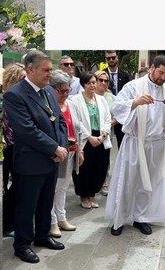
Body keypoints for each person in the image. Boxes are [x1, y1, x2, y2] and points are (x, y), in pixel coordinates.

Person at [4, 50, 68, 263]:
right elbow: (26, 130)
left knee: (45, 202)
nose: (51, 74)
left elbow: (58, 119)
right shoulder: (15, 94)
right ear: (31, 69)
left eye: (51, 69)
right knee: (27, 206)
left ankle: (42, 236)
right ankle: (22, 245)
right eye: (46, 70)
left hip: (51, 159)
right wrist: (54, 148)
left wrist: (61, 146)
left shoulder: (49, 91)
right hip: (31, 161)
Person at [105, 54, 165, 236]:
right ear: (152, 68)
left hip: (156, 145)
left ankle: (141, 217)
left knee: (149, 184)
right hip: (134, 142)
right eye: (161, 73)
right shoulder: (133, 86)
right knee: (128, 182)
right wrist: (136, 102)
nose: (162, 78)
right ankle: (119, 219)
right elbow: (116, 106)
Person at [49, 69, 84, 238]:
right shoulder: (49, 105)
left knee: (63, 187)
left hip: (71, 151)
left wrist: (80, 150)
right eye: (61, 90)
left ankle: (61, 217)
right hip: (57, 152)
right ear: (51, 88)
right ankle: (52, 221)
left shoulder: (72, 104)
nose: (65, 93)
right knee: (53, 188)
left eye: (67, 90)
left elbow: (79, 129)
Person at [70, 72, 112, 210]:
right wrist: (89, 136)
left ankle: (92, 194)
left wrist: (103, 134)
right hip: (85, 139)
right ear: (83, 84)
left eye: (94, 82)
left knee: (100, 166)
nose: (93, 85)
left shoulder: (101, 100)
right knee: (84, 168)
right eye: (89, 83)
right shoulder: (75, 100)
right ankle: (84, 195)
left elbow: (107, 119)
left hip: (101, 137)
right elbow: (77, 122)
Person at [2, 62, 26, 237]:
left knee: (18, 185)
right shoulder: (4, 98)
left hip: (18, 146)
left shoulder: (22, 97)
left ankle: (11, 220)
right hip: (6, 148)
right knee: (6, 186)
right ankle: (6, 223)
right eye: (22, 78)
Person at [94, 69, 116, 196]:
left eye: (106, 80)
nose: (103, 82)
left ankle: (104, 184)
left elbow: (118, 116)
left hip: (106, 133)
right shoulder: (88, 95)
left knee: (104, 160)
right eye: (100, 80)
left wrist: (107, 126)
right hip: (90, 133)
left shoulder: (112, 98)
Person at [104, 51, 131, 147]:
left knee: (122, 143)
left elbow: (129, 94)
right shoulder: (102, 75)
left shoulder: (125, 75)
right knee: (105, 144)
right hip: (106, 113)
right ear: (105, 59)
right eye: (108, 58)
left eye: (113, 57)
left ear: (117, 58)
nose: (111, 60)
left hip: (121, 114)